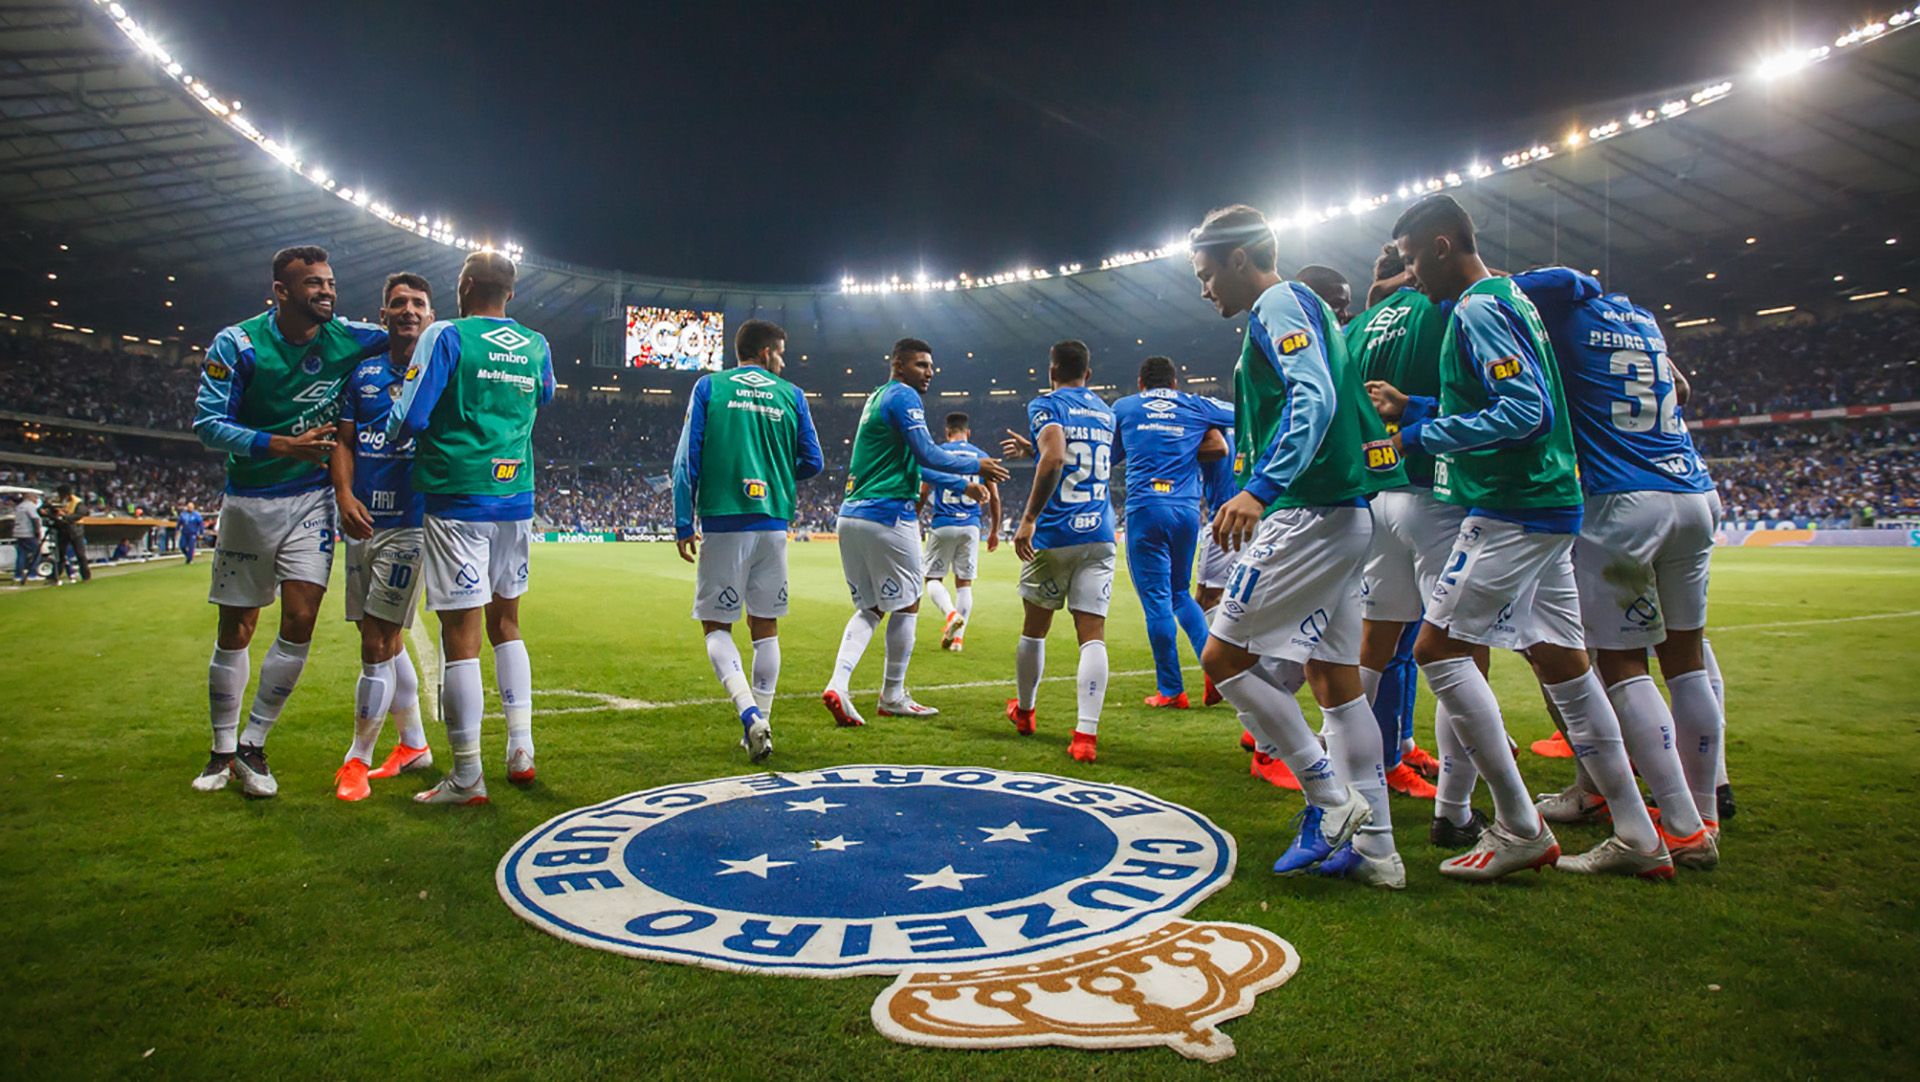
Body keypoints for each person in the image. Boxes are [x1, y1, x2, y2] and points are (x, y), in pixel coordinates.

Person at [1372, 193, 1671, 880]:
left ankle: (1518, 827)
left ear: (1443, 244)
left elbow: (1524, 411)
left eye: (1416, 259)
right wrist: (1417, 406)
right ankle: (1637, 833)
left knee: (1438, 648)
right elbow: (1506, 397)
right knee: (1566, 665)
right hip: (1551, 504)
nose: (1413, 276)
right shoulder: (1511, 300)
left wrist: (1419, 434)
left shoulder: (1477, 308)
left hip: (1513, 505)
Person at [1187, 205, 1410, 889]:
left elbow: (1309, 393)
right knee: (1337, 685)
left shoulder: (1280, 302)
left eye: (1206, 274)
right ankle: (1379, 853)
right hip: (1344, 512)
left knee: (1223, 657)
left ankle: (1329, 800)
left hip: (1307, 509)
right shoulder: (1307, 306)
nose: (1205, 290)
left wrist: (1260, 487)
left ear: (1239, 258)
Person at [1511, 266, 1722, 869]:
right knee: (1687, 664)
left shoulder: (1562, 323)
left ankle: (1678, 832)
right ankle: (1703, 813)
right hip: (1689, 491)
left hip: (1623, 505)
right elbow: (1680, 389)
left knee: (1621, 666)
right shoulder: (1639, 318)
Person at [190, 244, 388, 798]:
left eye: (330, 283)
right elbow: (207, 425)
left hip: (311, 501)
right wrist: (279, 443)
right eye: (313, 285)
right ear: (281, 292)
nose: (326, 292)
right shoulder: (238, 345)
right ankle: (221, 749)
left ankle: (253, 744)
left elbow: (406, 335)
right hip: (249, 502)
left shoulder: (348, 337)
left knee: (300, 620)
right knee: (237, 628)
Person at [389, 251, 554, 805]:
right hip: (517, 496)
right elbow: (545, 395)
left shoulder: (446, 335)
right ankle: (521, 749)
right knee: (507, 624)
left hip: (459, 495)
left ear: (464, 287)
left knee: (459, 637)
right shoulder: (537, 344)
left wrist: (395, 425)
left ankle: (466, 776)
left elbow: (409, 416)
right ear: (510, 294)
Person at [822, 338, 1007, 726]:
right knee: (908, 603)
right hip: (888, 514)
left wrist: (958, 485)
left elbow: (915, 465)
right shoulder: (905, 397)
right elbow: (927, 453)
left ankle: (838, 684)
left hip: (851, 514)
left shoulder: (877, 398)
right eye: (922, 364)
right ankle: (892, 694)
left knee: (871, 607)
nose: (930, 371)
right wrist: (976, 464)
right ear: (899, 365)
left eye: (930, 365)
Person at [672, 318, 824, 761]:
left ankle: (750, 717)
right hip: (773, 522)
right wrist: (775, 472)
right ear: (764, 352)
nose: (784, 361)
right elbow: (813, 461)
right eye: (781, 353)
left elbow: (687, 458)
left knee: (717, 626)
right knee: (765, 626)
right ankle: (764, 724)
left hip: (724, 519)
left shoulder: (709, 388)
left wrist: (684, 522)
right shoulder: (791, 395)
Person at [1344, 247, 1454, 804]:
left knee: (1380, 644)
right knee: (1456, 649)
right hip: (1435, 488)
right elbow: (1477, 402)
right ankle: (1460, 803)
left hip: (1375, 493)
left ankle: (1360, 758)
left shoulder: (1357, 329)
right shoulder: (1447, 306)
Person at [329, 272, 436, 801]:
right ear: (384, 315)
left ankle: (357, 760)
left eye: (419, 303)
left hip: (411, 528)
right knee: (382, 641)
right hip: (362, 522)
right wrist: (344, 496)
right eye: (399, 303)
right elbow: (344, 441)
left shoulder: (440, 372)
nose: (409, 310)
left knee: (376, 641)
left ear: (432, 316)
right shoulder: (363, 374)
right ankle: (413, 744)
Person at [999, 340, 1120, 762]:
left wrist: (1028, 518)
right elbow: (1084, 457)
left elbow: (1055, 458)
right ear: (1089, 373)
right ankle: (1085, 736)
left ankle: (1026, 712)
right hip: (1101, 533)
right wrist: (1036, 450)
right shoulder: (1107, 411)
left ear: (1051, 371)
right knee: (1092, 636)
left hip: (1056, 534)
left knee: (1035, 629)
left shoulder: (1047, 404)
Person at [1109, 355, 1234, 708]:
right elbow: (1240, 414)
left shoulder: (1125, 406)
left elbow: (1111, 454)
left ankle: (1171, 690)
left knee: (1157, 604)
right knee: (1181, 593)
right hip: (1186, 511)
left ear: (1140, 382)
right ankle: (1218, 676)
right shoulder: (1195, 405)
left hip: (1147, 508)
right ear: (1175, 382)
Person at [919, 412, 999, 652]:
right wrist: (994, 530)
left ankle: (950, 613)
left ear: (947, 432)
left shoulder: (938, 453)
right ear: (968, 432)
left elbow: (923, 491)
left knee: (933, 579)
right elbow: (994, 497)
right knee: (964, 584)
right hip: (971, 525)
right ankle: (957, 641)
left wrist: (914, 516)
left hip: (943, 522)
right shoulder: (982, 456)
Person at [44, 485, 90, 583]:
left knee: (80, 555)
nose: (61, 497)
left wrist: (65, 517)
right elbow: (46, 509)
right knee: (60, 555)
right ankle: (55, 576)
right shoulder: (56, 501)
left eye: (62, 495)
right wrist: (45, 512)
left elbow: (80, 514)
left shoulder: (77, 502)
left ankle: (86, 576)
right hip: (62, 530)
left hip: (75, 531)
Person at [12, 490, 41, 584]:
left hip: (18, 532)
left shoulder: (19, 506)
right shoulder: (30, 506)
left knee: (21, 554)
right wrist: (38, 531)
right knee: (37, 552)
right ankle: (32, 573)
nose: (36, 499)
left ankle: (18, 575)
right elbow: (35, 518)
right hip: (28, 533)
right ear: (31, 497)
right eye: (35, 497)